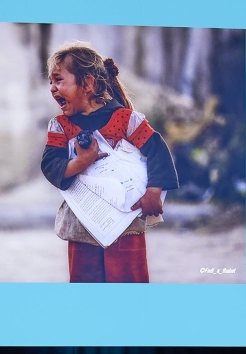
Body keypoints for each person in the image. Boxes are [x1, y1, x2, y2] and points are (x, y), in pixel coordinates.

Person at [41, 41, 179, 283]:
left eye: (59, 80)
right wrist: (83, 161)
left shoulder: (126, 120)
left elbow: (157, 150)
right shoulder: (60, 126)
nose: (53, 88)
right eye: (51, 81)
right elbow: (51, 165)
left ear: (87, 84)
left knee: (128, 288)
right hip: (82, 227)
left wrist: (153, 192)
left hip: (125, 226)